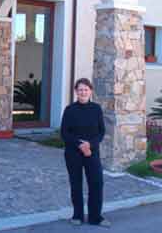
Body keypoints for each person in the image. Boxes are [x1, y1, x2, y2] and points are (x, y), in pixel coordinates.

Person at [60, 78, 110, 227]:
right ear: (76, 92)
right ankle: (78, 215)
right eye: (80, 89)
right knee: (76, 184)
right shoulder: (70, 110)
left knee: (96, 183)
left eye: (86, 89)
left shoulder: (96, 109)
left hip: (92, 152)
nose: (83, 92)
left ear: (90, 91)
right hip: (73, 153)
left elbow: (101, 131)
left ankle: (95, 217)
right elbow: (64, 133)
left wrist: (90, 144)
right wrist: (79, 144)